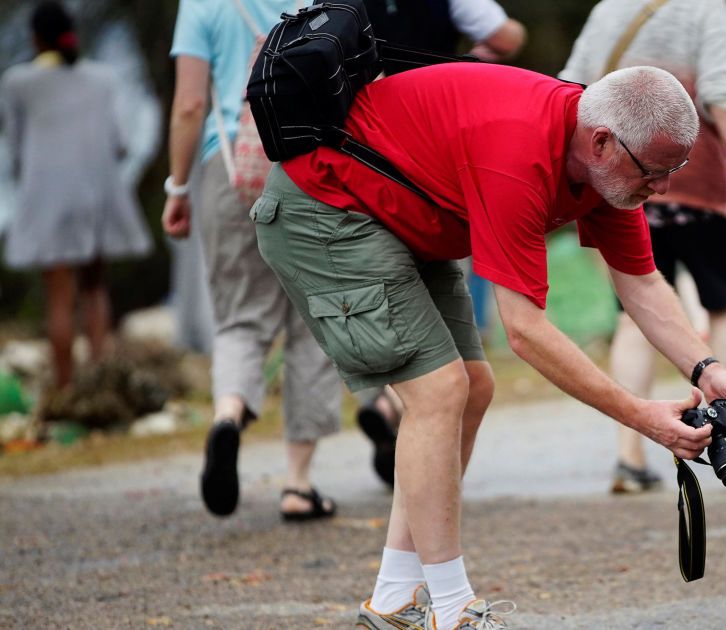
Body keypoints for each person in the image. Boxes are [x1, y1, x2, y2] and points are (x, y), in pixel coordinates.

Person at [253, 63, 726, 629]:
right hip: (324, 207)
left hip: (408, 219)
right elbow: (523, 330)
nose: (664, 188)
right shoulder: (520, 153)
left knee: (471, 388)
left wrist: (706, 368)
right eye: (657, 171)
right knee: (440, 391)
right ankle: (453, 610)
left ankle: (394, 600)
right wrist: (641, 416)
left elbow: (641, 283)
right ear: (601, 142)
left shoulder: (605, 168)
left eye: (676, 170)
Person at [559, 0, 726, 494]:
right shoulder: (706, 9)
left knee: (633, 314)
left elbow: (572, 84)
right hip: (696, 181)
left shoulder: (608, 9)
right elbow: (722, 93)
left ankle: (630, 455)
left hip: (617, 181)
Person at [162, 0, 345, 521]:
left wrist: (178, 188)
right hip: (304, 167)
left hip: (226, 169)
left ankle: (228, 415)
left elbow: (190, 106)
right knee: (313, 323)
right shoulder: (314, 2)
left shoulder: (200, 6)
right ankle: (298, 483)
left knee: (240, 318)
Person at [354, 0, 528, 489]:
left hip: (364, 148)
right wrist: (474, 55)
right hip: (436, 141)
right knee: (445, 276)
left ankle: (386, 400)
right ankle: (405, 412)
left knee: (388, 284)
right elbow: (507, 37)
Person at [0, 2, 151, 390]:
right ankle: (101, 382)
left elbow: (17, 148)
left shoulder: (18, 82)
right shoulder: (103, 78)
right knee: (95, 289)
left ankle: (66, 388)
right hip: (94, 196)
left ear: (35, 38)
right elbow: (119, 142)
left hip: (47, 199)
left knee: (58, 297)